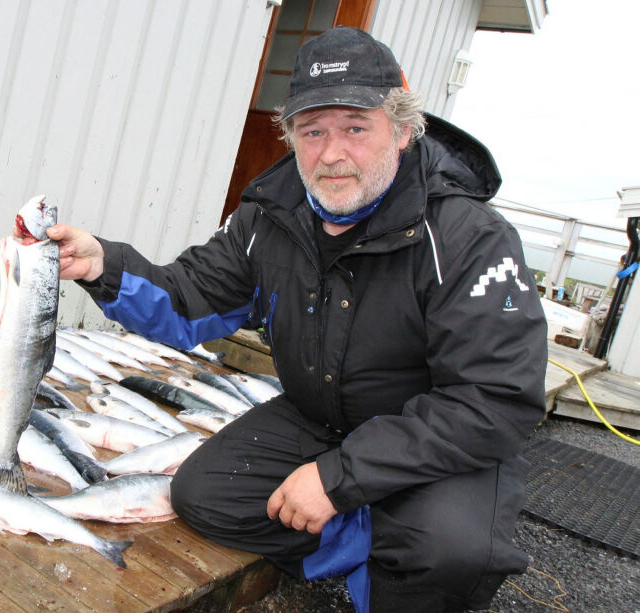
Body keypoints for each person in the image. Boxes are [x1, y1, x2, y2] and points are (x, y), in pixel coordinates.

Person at [44, 26, 547, 613]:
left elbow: (495, 400)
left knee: (451, 551)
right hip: (324, 416)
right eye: (313, 132)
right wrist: (104, 266)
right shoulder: (267, 217)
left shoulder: (471, 239)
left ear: (405, 130)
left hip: (433, 438)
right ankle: (370, 539)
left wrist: (338, 479)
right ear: (290, 138)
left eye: (356, 128)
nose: (332, 154)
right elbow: (192, 298)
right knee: (204, 495)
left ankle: (398, 555)